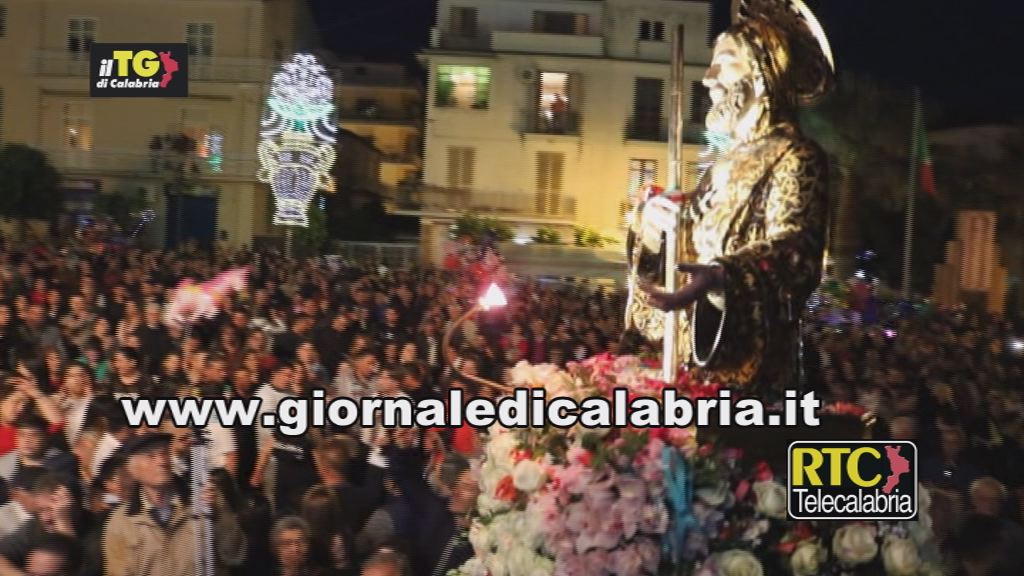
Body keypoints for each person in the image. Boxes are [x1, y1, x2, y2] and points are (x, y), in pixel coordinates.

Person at [630, 0, 835, 391]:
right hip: (689, 371)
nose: (708, 78)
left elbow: (796, 251)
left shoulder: (795, 155)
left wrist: (725, 276)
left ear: (761, 72)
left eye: (725, 61)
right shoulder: (722, 166)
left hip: (752, 374)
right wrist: (654, 234)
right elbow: (679, 251)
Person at [102, 432, 247, 576]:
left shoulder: (204, 502)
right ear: (133, 469)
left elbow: (235, 555)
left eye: (164, 454)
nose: (161, 461)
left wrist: (218, 511)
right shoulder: (122, 521)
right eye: (151, 457)